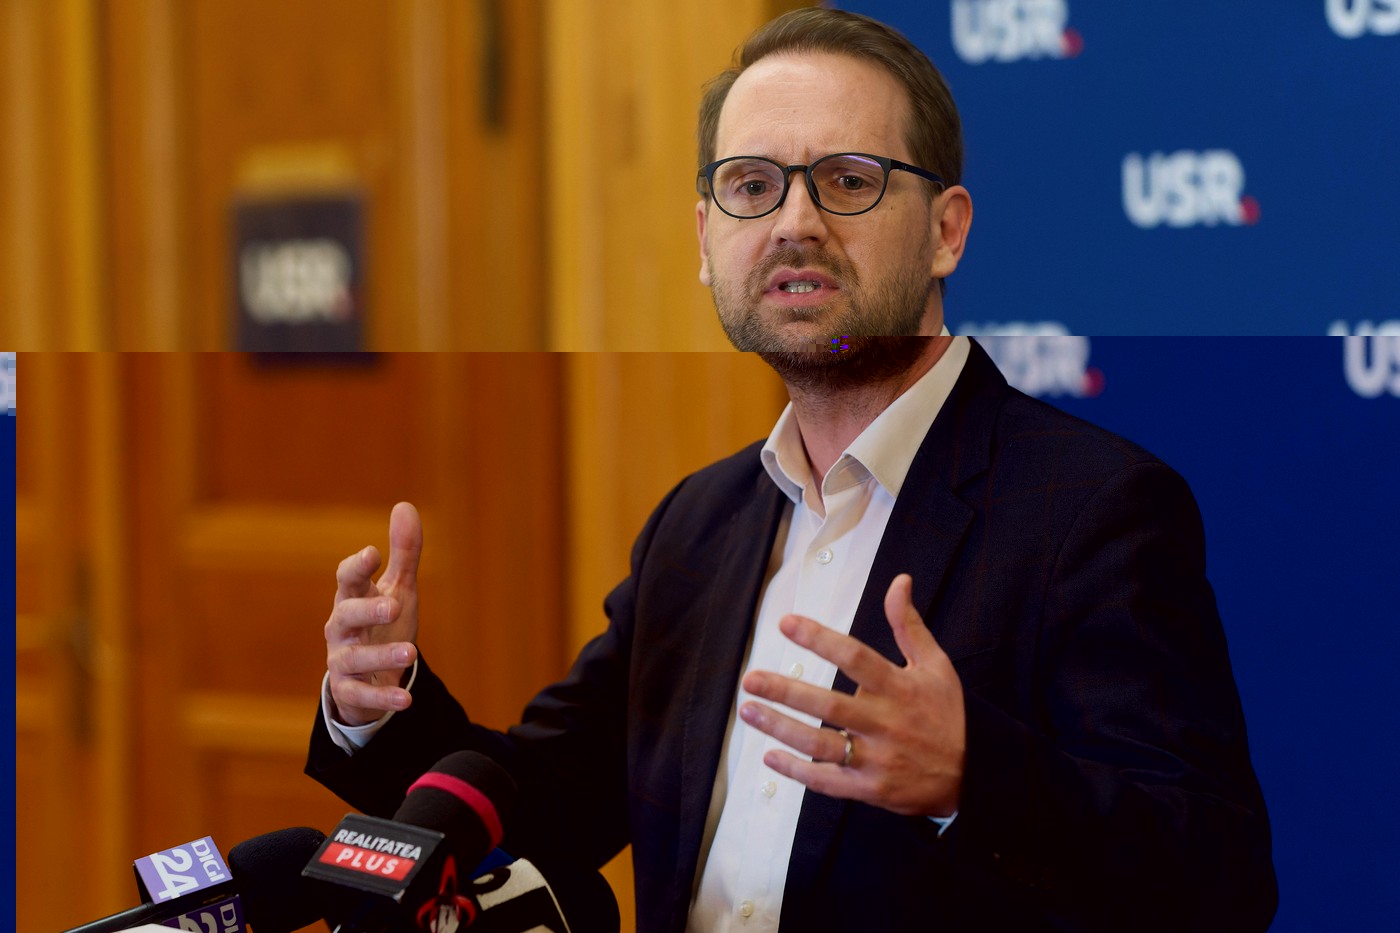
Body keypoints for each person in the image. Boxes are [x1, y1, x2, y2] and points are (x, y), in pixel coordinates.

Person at [307, 9, 1276, 931]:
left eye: (848, 180)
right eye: (751, 184)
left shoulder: (1091, 509)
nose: (794, 221)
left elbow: (1217, 883)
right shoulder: (697, 523)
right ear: (706, 240)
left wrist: (970, 776)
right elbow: (551, 798)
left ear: (945, 231)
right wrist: (372, 708)